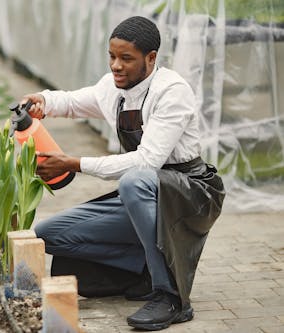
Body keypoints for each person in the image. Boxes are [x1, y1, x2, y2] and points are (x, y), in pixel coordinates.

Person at [21, 16, 225, 331]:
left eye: (126, 58)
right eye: (112, 56)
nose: (116, 65)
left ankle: (171, 297)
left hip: (190, 193)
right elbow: (75, 102)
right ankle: (144, 269)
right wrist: (43, 102)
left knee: (134, 179)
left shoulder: (171, 92)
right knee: (48, 234)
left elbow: (147, 162)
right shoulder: (114, 88)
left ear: (151, 58)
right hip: (143, 194)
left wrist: (74, 163)